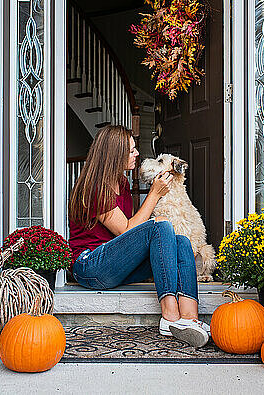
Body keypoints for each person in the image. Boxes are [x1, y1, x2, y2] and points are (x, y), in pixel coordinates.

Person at [68, 125, 210, 347]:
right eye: (131, 150)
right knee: (160, 226)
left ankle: (190, 318)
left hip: (116, 263)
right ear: (115, 154)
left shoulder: (122, 183)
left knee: (180, 240)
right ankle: (170, 317)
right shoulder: (95, 188)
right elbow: (127, 230)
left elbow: (134, 231)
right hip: (91, 266)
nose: (136, 154)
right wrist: (154, 194)